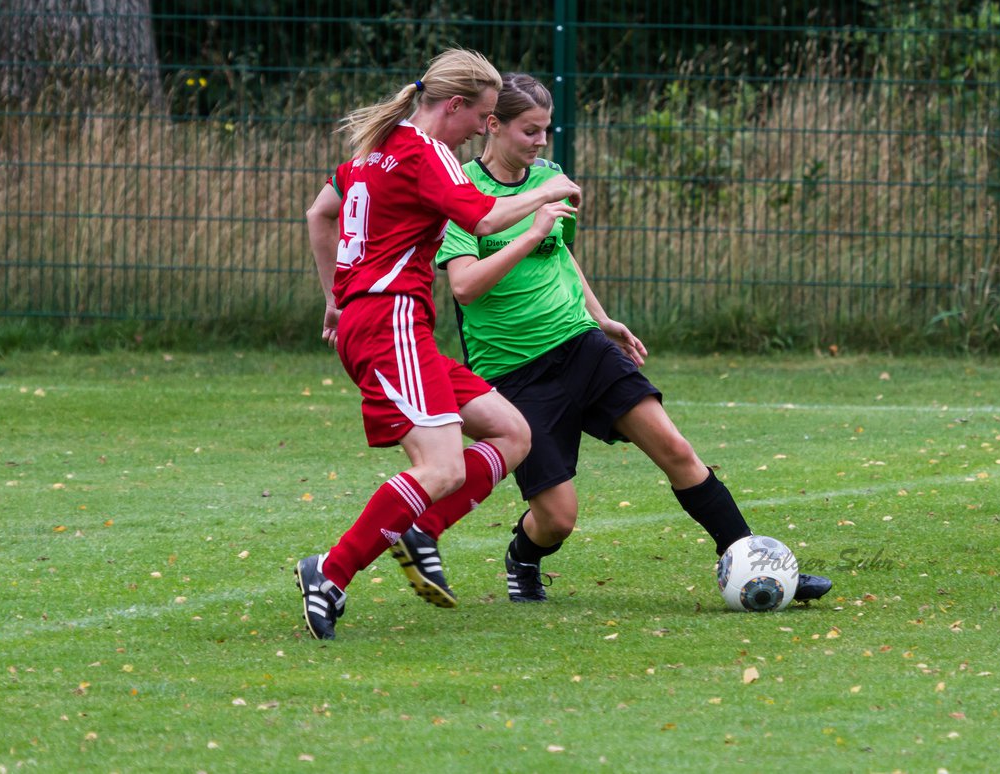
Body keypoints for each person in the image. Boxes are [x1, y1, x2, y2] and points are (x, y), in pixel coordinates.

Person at [421, 73, 832, 604]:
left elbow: (562, 255)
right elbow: (466, 287)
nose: (540, 142)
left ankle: (755, 563)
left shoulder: (548, 177)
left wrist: (602, 318)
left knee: (677, 450)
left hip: (580, 343)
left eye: (546, 130)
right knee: (558, 520)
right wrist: (531, 231)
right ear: (493, 125)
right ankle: (522, 556)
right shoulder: (463, 194)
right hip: (513, 372)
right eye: (529, 130)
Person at [298, 51, 582, 639]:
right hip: (389, 321)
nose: (484, 129)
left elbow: (319, 214)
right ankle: (329, 571)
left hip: (383, 322)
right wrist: (544, 193)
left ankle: (417, 528)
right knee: (444, 467)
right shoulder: (425, 152)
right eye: (480, 117)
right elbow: (480, 220)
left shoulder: (373, 149)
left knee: (513, 433)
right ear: (454, 106)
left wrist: (334, 297)